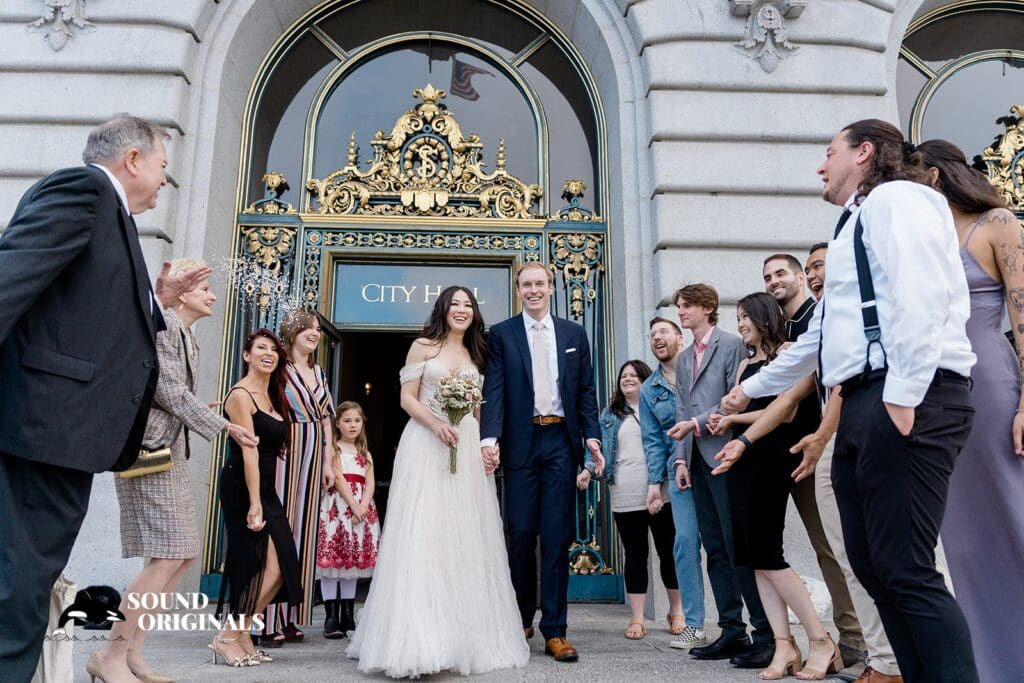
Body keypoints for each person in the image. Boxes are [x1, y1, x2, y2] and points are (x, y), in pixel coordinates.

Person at [723, 119, 979, 683]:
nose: (820, 165)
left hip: (907, 392)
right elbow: (820, 337)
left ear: (864, 153)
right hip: (864, 399)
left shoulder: (899, 200)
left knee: (908, 569)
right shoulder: (850, 222)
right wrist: (752, 387)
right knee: (873, 565)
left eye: (829, 152)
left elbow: (921, 293)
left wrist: (905, 395)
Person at [0, 114, 209, 683]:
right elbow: (9, 280)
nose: (166, 183)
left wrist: (158, 299)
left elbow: (93, 321)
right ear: (133, 160)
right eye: (163, 168)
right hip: (43, 431)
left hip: (66, 439)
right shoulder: (83, 189)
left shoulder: (112, 216)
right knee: (16, 593)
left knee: (28, 587)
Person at [90, 260, 258, 683]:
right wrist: (225, 427)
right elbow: (167, 389)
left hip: (169, 453)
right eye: (204, 289)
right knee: (166, 556)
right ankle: (109, 656)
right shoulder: (162, 326)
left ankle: (133, 654)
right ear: (181, 292)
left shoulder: (188, 337)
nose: (212, 296)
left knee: (181, 556)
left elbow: (165, 395)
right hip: (148, 455)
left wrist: (196, 414)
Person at [348, 286, 529, 677]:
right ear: (443, 310)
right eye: (455, 304)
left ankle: (461, 636)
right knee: (424, 533)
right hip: (425, 442)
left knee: (463, 535)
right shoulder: (422, 346)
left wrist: (485, 445)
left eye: (468, 305)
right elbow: (406, 399)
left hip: (462, 448)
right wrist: (434, 424)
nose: (461, 310)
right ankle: (417, 638)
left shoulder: (477, 353)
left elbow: (480, 409)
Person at [918, 139, 1024, 683]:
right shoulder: (929, 237)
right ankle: (994, 665)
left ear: (934, 175)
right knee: (965, 536)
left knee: (1014, 512)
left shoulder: (998, 221)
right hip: (943, 390)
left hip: (994, 383)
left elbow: (1022, 308)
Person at [708, 293, 841, 681]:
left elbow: (787, 412)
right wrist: (725, 418)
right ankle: (784, 645)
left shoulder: (791, 356)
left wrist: (736, 423)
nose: (741, 323)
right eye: (738, 317)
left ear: (764, 317)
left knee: (770, 554)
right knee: (753, 559)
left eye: (746, 316)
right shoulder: (746, 362)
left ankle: (820, 640)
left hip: (771, 458)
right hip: (740, 459)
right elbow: (733, 407)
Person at [480, 262, 605, 663]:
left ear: (551, 288)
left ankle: (555, 630)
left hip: (559, 442)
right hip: (520, 442)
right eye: (527, 285)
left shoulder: (573, 333)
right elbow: (494, 387)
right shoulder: (501, 334)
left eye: (540, 284)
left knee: (555, 537)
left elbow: (586, 390)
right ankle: (520, 621)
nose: (534, 290)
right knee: (519, 533)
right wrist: (490, 437)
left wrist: (592, 437)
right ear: (518, 290)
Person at [763, 253, 865, 672]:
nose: (774, 281)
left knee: (835, 547)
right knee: (819, 551)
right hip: (790, 451)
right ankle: (843, 640)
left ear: (802, 276)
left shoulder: (819, 318)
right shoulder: (780, 326)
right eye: (768, 276)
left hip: (823, 447)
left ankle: (858, 643)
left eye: (781, 273)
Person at [665, 284, 773, 668]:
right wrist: (680, 461)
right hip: (695, 458)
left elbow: (734, 398)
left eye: (687, 306)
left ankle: (765, 634)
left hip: (728, 455)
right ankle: (731, 629)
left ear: (708, 309)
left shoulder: (729, 345)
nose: (680, 312)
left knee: (736, 546)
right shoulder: (683, 355)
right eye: (679, 306)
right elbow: (681, 406)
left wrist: (695, 424)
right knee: (713, 546)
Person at [213, 329, 303, 668]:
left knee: (276, 567)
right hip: (243, 484)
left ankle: (242, 633)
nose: (269, 353)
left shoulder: (272, 394)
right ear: (247, 356)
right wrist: (253, 502)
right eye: (260, 348)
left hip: (265, 488)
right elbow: (249, 453)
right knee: (264, 563)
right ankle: (227, 636)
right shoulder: (240, 395)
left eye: (274, 349)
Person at [577, 360, 681, 641]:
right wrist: (587, 470)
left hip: (660, 490)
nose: (628, 379)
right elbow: (594, 447)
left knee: (668, 551)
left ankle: (677, 612)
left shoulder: (658, 408)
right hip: (624, 492)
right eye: (624, 376)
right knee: (635, 554)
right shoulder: (609, 415)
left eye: (634, 375)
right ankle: (637, 618)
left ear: (645, 379)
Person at [260, 310, 336, 645]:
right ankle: (265, 619)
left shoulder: (318, 371)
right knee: (280, 532)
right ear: (292, 332)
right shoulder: (278, 366)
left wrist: (329, 461)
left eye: (318, 330)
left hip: (314, 454)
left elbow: (327, 420)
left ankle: (291, 615)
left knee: (304, 534)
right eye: (308, 328)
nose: (314, 334)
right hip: (284, 452)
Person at [638, 317, 706, 649]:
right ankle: (694, 624)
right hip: (678, 473)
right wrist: (654, 483)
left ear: (680, 337)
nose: (657, 338)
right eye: (652, 335)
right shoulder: (649, 389)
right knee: (684, 544)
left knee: (724, 546)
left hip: (715, 464)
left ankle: (740, 625)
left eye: (664, 331)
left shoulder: (701, 366)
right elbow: (652, 439)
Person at [316, 400, 379, 639]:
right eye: (347, 421)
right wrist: (353, 504)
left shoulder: (365, 453)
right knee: (334, 562)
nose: (353, 425)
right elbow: (339, 478)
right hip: (340, 507)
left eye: (357, 421)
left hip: (361, 508)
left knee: (351, 563)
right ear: (338, 424)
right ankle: (331, 618)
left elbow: (370, 481)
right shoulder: (334, 450)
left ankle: (348, 615)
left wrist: (363, 505)